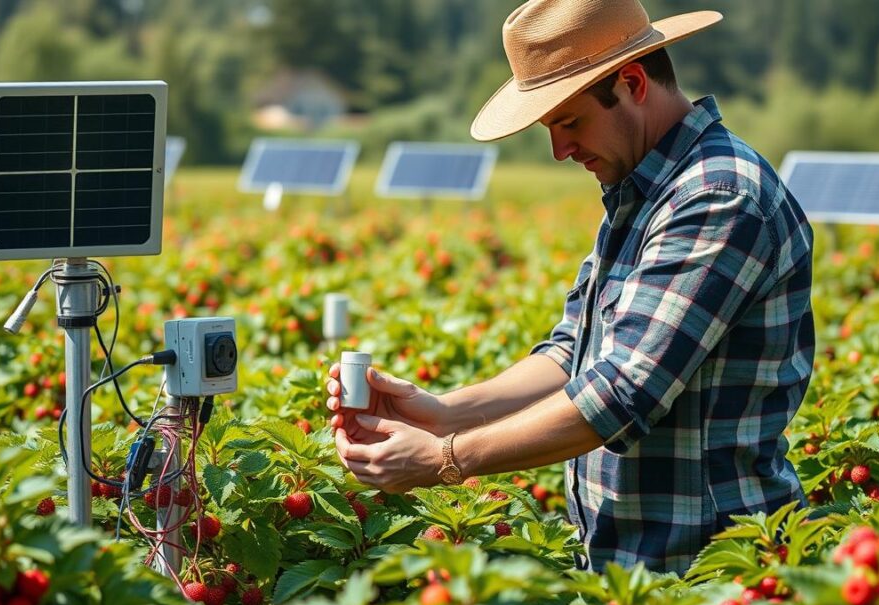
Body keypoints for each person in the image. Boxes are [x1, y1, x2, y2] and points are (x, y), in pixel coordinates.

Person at [325, 0, 815, 574]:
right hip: (637, 563)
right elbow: (573, 354)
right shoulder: (647, 193)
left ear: (632, 83)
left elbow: (621, 394)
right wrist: (442, 413)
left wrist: (445, 459)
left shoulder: (717, 197)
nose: (560, 151)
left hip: (713, 572)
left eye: (570, 122)